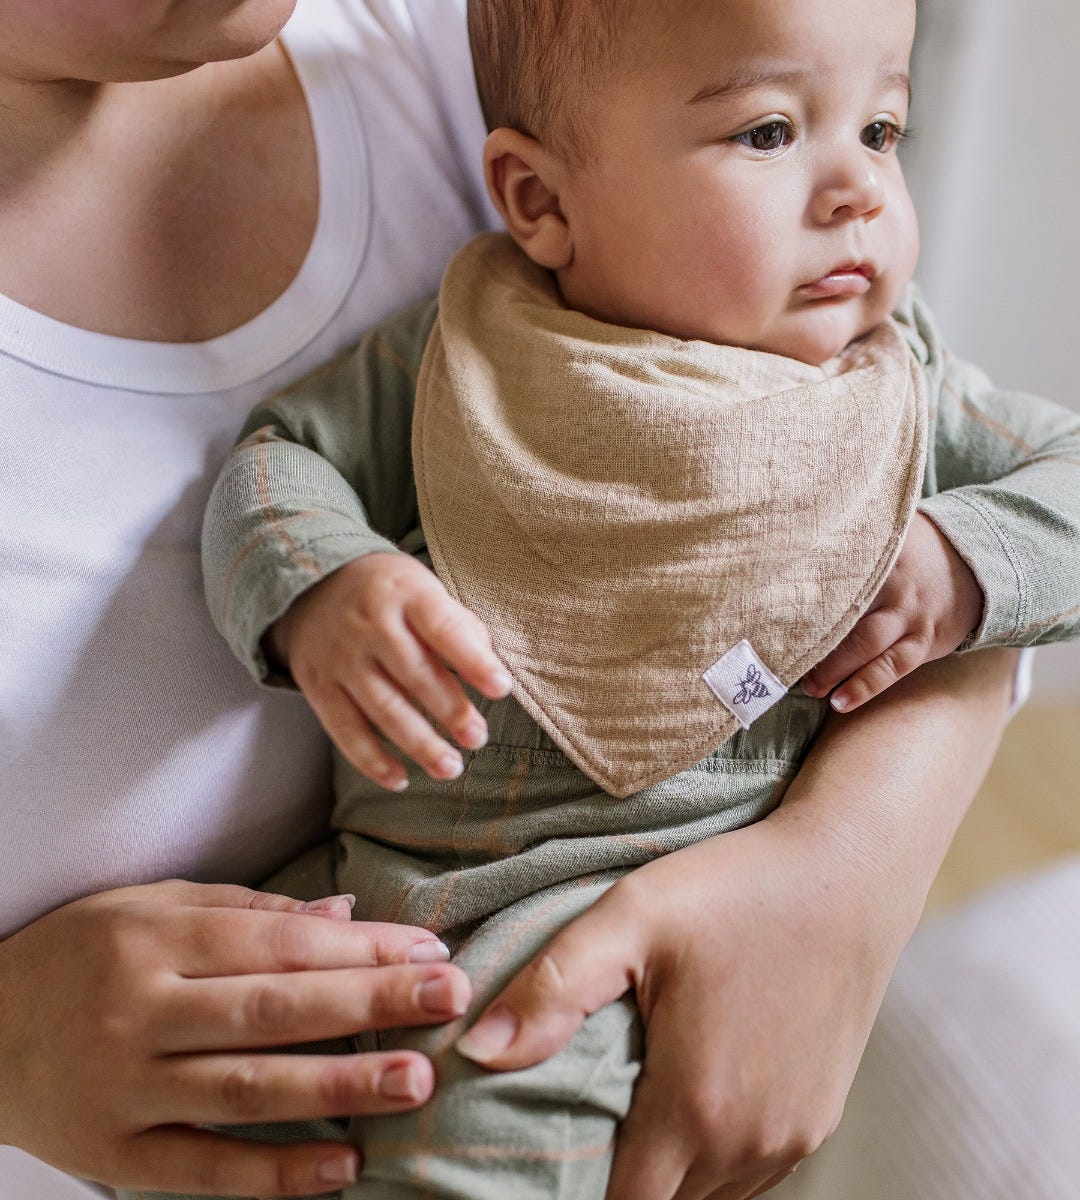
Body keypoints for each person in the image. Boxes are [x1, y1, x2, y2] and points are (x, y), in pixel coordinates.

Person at [0, 0, 1026, 1198]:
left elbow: (919, 500)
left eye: (887, 129)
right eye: (768, 136)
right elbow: (288, 472)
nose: (855, 182)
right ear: (526, 198)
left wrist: (843, 877)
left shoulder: (492, 39)